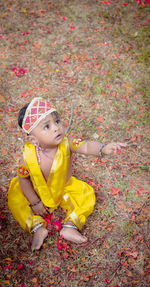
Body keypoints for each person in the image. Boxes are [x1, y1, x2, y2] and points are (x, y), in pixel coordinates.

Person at [8, 97, 127, 251]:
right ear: (33, 140)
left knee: (86, 194)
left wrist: (103, 148)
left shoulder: (67, 143)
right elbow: (23, 179)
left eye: (56, 122)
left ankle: (70, 226)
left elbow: (86, 146)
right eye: (47, 127)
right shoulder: (28, 157)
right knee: (15, 197)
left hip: (63, 187)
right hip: (36, 190)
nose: (56, 128)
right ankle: (37, 228)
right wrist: (35, 202)